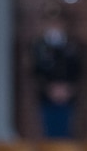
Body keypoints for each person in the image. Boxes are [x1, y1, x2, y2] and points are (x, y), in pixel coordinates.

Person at [31, 10, 84, 139]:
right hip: (47, 96)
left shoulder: (72, 47)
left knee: (66, 132)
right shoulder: (40, 47)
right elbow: (36, 71)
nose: (55, 26)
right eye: (52, 23)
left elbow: (77, 69)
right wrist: (49, 88)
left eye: (58, 23)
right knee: (49, 132)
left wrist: (68, 88)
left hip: (67, 95)